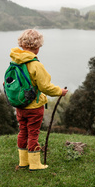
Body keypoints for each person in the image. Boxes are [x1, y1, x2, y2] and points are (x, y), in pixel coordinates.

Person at [10, 29, 68, 171]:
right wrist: (60, 91)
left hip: (20, 105)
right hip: (34, 107)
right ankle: (35, 164)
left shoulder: (15, 61)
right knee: (33, 134)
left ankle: (23, 162)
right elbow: (45, 87)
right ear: (37, 47)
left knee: (23, 131)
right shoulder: (36, 65)